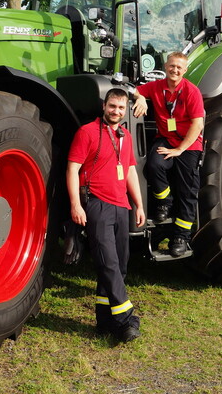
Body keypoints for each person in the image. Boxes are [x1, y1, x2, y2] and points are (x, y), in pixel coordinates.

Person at [67, 88, 146, 342]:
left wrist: (139, 205)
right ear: (104, 106)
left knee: (120, 265)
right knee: (108, 261)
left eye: (121, 108)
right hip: (97, 204)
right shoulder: (87, 132)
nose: (116, 111)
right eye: (112, 106)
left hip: (121, 205)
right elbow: (72, 169)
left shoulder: (125, 135)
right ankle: (126, 320)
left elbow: (130, 171)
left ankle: (105, 321)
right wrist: (76, 205)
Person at [132, 51, 205, 258]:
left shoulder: (191, 92)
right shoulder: (156, 86)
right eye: (172, 66)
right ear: (165, 66)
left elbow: (197, 125)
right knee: (153, 165)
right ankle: (165, 202)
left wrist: (180, 149)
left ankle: (181, 237)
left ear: (185, 70)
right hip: (166, 138)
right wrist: (141, 98)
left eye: (179, 67)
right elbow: (134, 89)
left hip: (188, 144)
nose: (175, 70)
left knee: (187, 191)